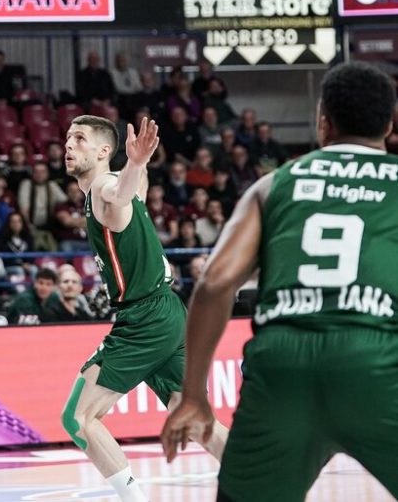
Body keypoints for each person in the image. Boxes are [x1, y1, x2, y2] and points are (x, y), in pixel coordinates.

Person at [162, 62, 398, 501]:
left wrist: (193, 395)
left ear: (323, 121)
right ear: (389, 123)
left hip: (281, 366)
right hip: (375, 360)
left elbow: (214, 284)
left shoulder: (274, 185)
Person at [61, 114, 226, 501]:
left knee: (79, 419)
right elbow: (132, 191)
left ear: (104, 151)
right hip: (168, 311)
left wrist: (135, 163)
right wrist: (140, 165)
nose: (68, 145)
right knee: (195, 419)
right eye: (67, 138)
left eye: (80, 139)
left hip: (145, 318)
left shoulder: (105, 185)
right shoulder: (115, 185)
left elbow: (117, 195)